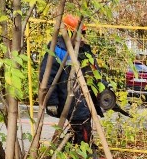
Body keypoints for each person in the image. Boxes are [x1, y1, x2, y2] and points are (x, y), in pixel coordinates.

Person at [38, 14, 109, 145]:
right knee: (80, 125)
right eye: (78, 33)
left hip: (85, 97)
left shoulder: (84, 51)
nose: (81, 37)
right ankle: (83, 152)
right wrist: (51, 101)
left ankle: (74, 149)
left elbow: (95, 73)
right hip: (69, 98)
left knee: (81, 125)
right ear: (68, 33)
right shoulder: (57, 51)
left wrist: (105, 91)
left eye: (83, 33)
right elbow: (47, 77)